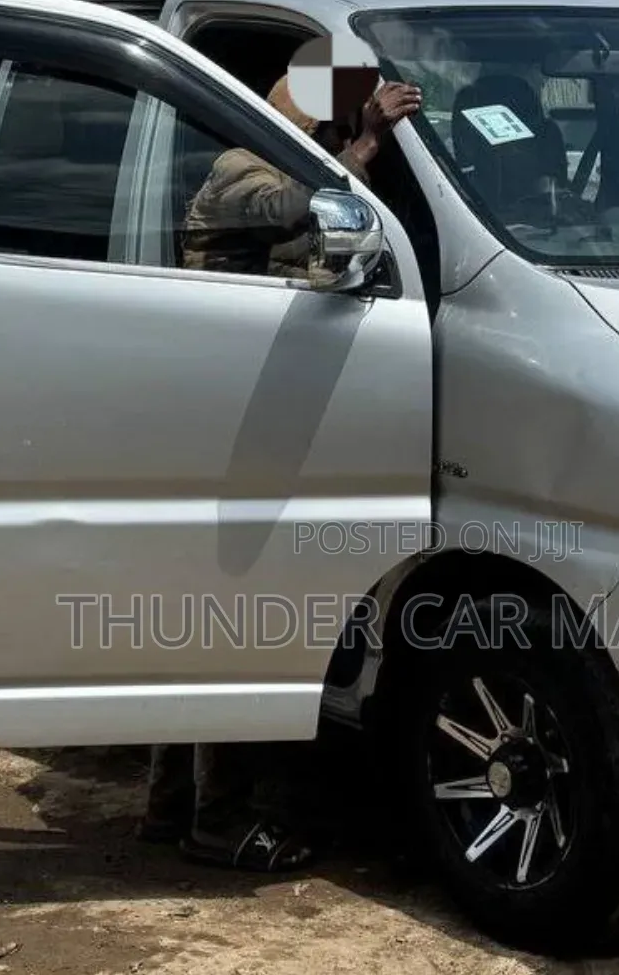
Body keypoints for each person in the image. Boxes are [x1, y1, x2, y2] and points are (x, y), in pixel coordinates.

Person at [138, 72, 421, 874]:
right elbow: (295, 209)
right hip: (224, 437)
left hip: (233, 428)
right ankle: (218, 821)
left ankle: (168, 808)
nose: (320, 134)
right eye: (314, 121)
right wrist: (365, 145)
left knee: (206, 628)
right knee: (238, 628)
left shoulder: (275, 164)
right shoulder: (239, 170)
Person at [181, 74, 423, 282]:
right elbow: (278, 215)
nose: (346, 143)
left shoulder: (297, 174)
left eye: (351, 133)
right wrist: (366, 144)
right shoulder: (240, 164)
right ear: (307, 129)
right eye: (340, 131)